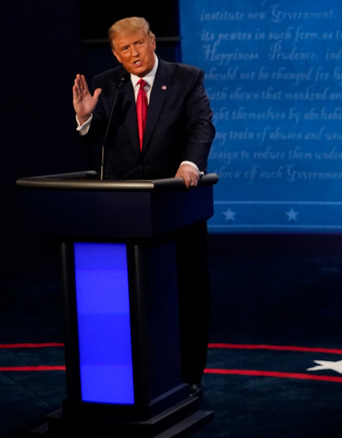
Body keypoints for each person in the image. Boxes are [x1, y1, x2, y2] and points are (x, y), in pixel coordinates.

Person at [71, 17, 215, 395]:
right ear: (115, 53)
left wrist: (190, 163)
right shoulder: (106, 84)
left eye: (138, 43)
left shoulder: (186, 77)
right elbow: (98, 141)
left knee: (186, 294)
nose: (133, 53)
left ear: (152, 41)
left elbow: (202, 126)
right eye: (124, 49)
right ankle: (131, 378)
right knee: (129, 298)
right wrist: (85, 118)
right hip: (123, 213)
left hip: (176, 205)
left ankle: (189, 377)